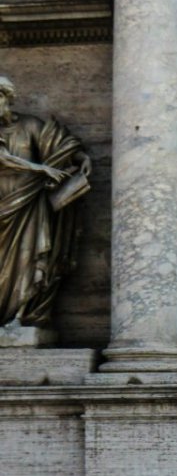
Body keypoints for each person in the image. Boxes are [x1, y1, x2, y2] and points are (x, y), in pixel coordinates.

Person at [0, 75, 92, 327]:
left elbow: (58, 146)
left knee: (27, 259)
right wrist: (41, 170)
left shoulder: (30, 126)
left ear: (7, 99)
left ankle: (20, 316)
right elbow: (4, 160)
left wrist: (80, 157)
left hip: (29, 206)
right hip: (4, 203)